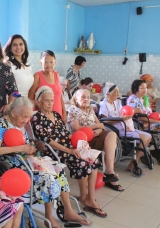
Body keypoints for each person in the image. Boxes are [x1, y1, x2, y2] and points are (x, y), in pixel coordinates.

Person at [0, 97, 91, 228]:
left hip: (27, 160)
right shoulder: (3, 124)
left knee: (58, 169)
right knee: (47, 177)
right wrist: (21, 148)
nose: (26, 121)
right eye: (24, 116)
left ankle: (68, 210)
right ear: (13, 113)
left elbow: (26, 144)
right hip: (13, 165)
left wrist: (32, 148)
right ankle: (49, 217)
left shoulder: (19, 123)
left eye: (28, 117)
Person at [32, 86, 109, 216]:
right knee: (82, 162)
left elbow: (67, 134)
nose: (50, 103)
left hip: (68, 146)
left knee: (92, 158)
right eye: (47, 101)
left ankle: (90, 197)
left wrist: (81, 144)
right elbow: (48, 140)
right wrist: (69, 150)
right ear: (39, 102)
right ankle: (84, 197)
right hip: (54, 151)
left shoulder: (56, 115)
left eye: (52, 100)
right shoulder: (37, 118)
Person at [67, 89, 124, 191]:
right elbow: (77, 128)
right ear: (76, 98)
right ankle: (109, 176)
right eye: (83, 97)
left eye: (88, 97)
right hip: (82, 140)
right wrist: (95, 126)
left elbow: (101, 125)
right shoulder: (72, 110)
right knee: (109, 135)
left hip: (95, 136)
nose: (86, 99)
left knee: (112, 134)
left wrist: (99, 130)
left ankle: (109, 171)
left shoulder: (90, 109)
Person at [99, 83, 152, 172]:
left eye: (118, 92)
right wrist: (120, 119)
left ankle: (134, 161)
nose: (118, 94)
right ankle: (133, 163)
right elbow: (105, 121)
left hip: (125, 126)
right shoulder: (103, 104)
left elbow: (124, 112)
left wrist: (127, 116)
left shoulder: (118, 102)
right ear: (108, 94)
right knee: (144, 138)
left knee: (149, 136)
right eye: (116, 92)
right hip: (116, 129)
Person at [127, 79, 160, 160]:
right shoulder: (133, 99)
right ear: (136, 89)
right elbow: (140, 117)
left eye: (145, 88)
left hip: (150, 119)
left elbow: (149, 112)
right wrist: (157, 121)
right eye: (142, 88)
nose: (145, 90)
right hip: (142, 122)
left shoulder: (144, 98)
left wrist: (159, 118)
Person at [28, 50, 67, 121]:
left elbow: (60, 96)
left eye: (51, 62)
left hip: (58, 115)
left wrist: (64, 112)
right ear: (41, 63)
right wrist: (39, 104)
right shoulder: (37, 76)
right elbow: (30, 99)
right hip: (43, 118)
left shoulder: (56, 74)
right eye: (45, 62)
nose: (49, 65)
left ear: (55, 62)